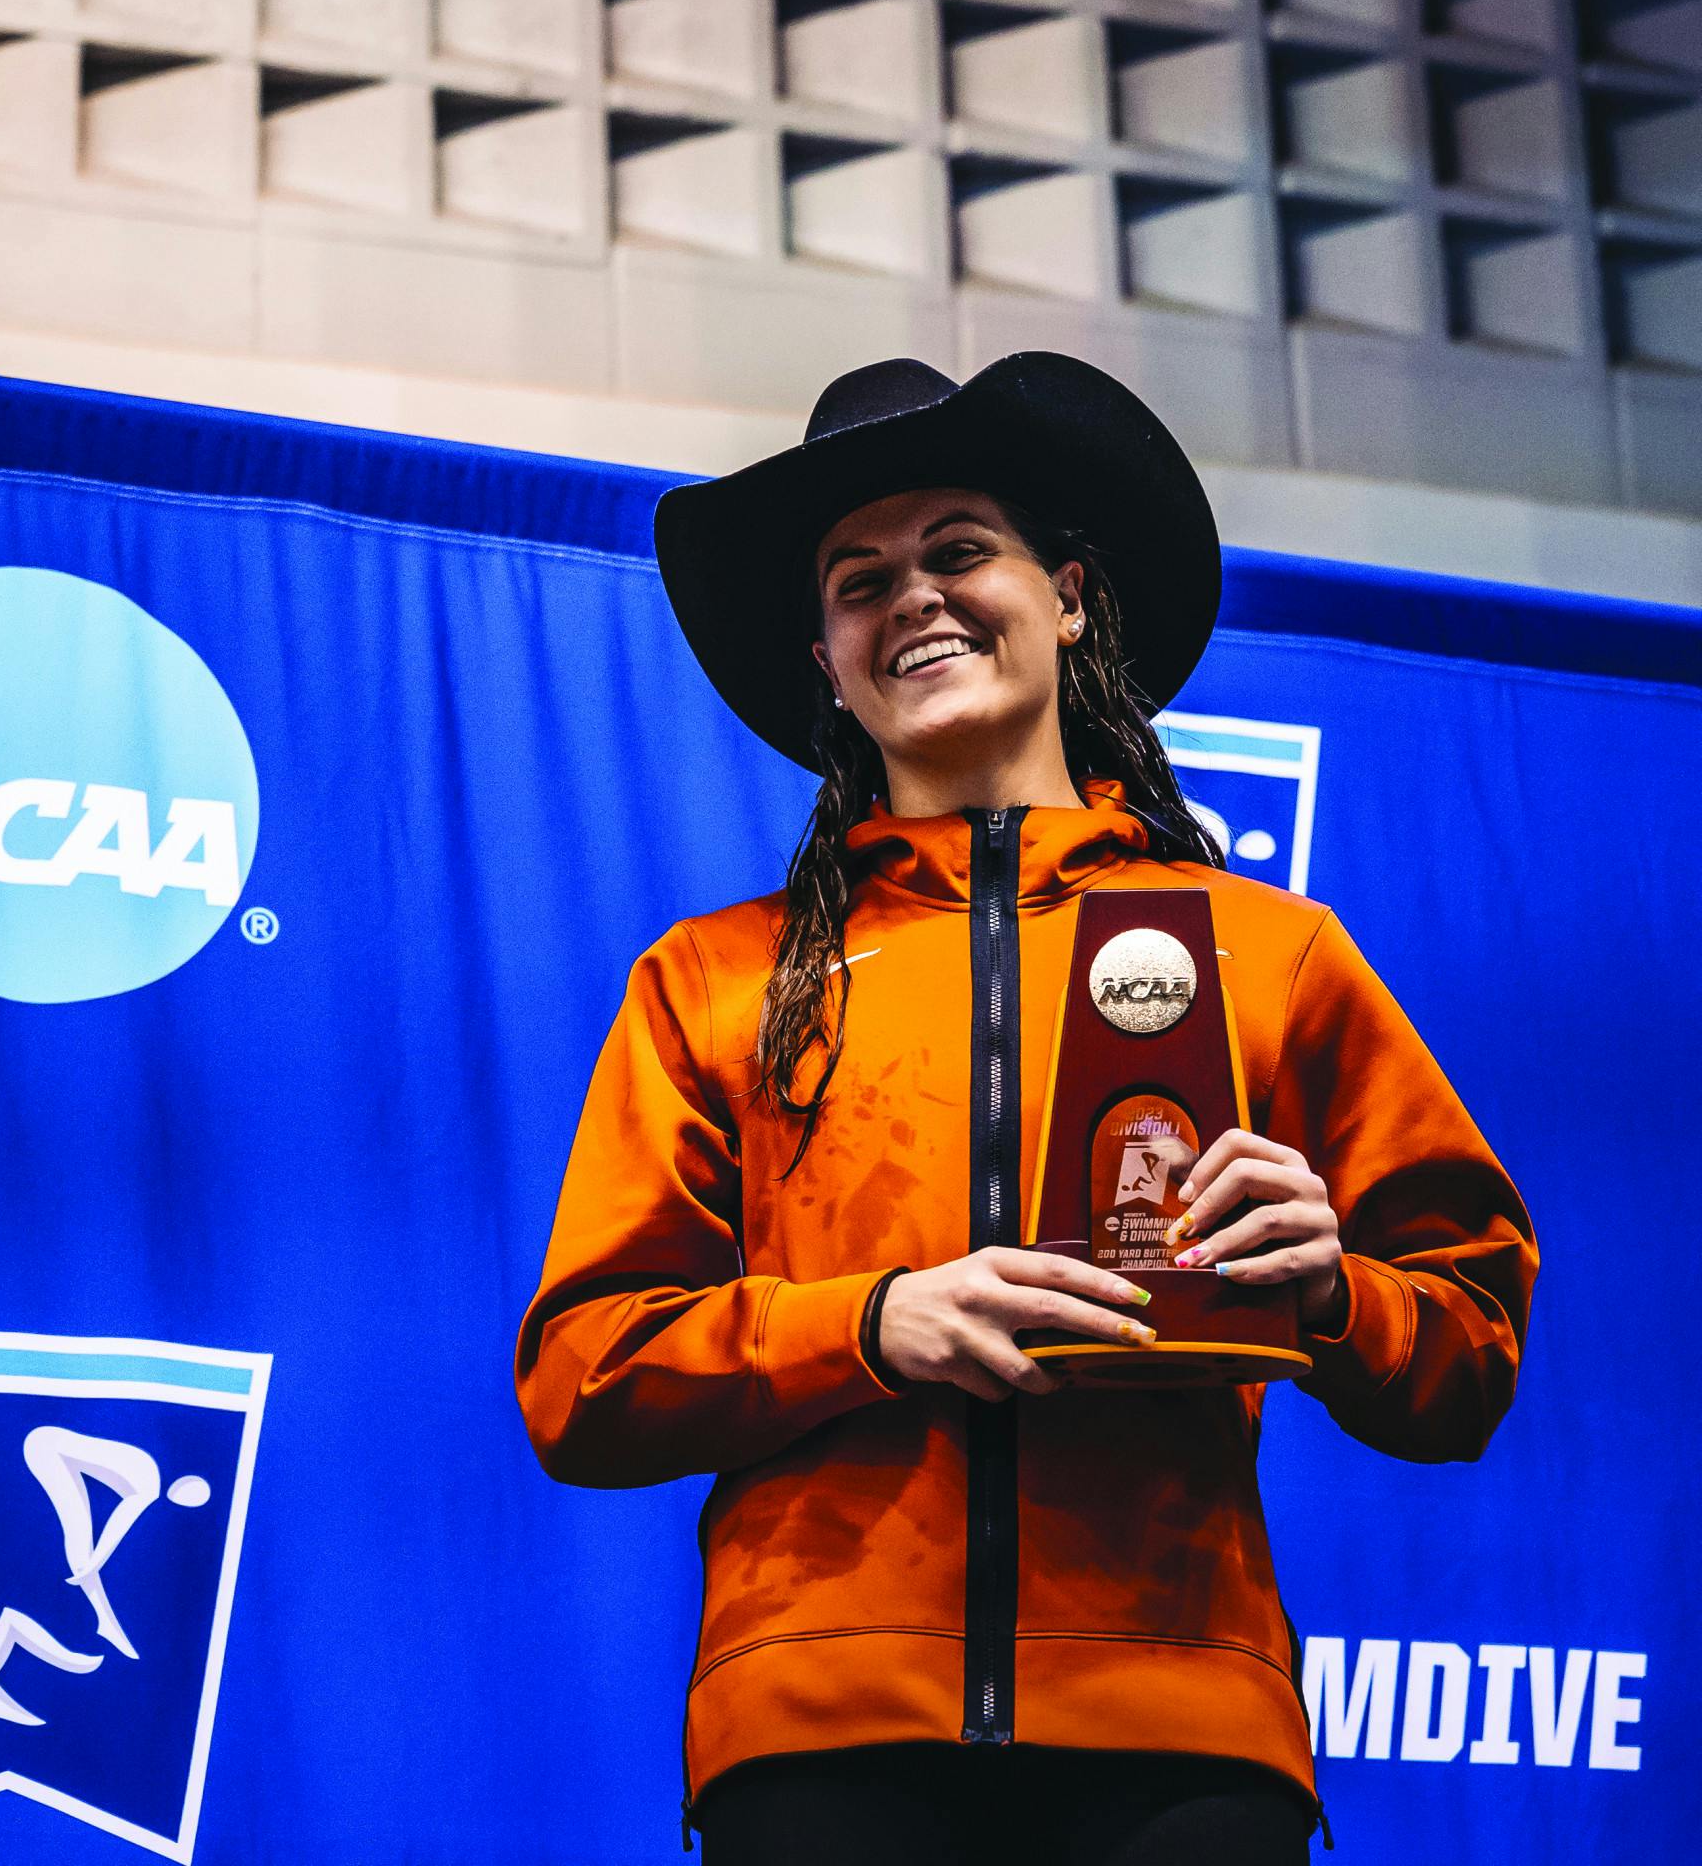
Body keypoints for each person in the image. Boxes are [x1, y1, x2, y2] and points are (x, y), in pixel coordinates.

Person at [514, 354, 1537, 1864]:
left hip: (1182, 1730)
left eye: (957, 551)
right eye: (860, 581)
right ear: (827, 657)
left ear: (1065, 597)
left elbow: (1467, 1350)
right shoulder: (715, 979)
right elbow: (583, 1375)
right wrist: (874, 1323)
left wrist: (1330, 1298)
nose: (912, 598)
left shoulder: (1271, 952)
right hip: (823, 1737)